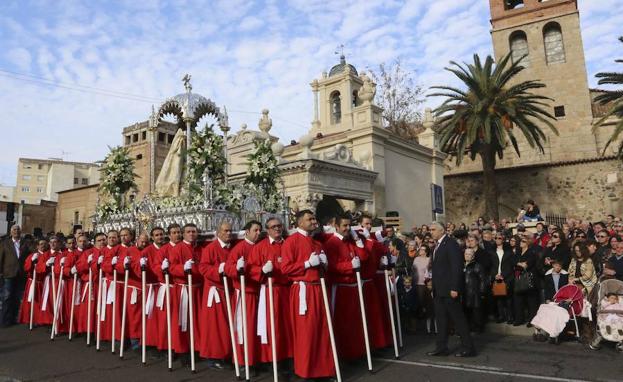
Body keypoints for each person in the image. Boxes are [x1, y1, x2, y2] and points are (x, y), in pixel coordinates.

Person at [281, 209, 336, 379]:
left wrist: (325, 265)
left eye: (314, 218)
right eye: (309, 219)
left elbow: (322, 270)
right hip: (303, 291)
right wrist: (306, 264)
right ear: (299, 222)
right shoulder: (291, 242)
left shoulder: (318, 244)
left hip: (318, 289)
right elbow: (286, 269)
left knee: (323, 330)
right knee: (307, 332)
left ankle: (324, 369)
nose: (314, 222)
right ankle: (305, 371)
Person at [248, 217, 293, 373]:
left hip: (288, 290)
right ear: (267, 229)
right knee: (273, 326)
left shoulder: (288, 244)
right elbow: (251, 268)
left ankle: (290, 357)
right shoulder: (260, 247)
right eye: (273, 227)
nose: (277, 229)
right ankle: (274, 359)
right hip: (270, 290)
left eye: (279, 226)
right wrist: (261, 270)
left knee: (289, 325)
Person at [426, 221, 475, 357]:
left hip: (449, 290)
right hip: (439, 290)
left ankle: (468, 347)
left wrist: (455, 287)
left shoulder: (451, 244)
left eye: (433, 229)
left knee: (458, 319)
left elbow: (456, 267)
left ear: (442, 231)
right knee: (441, 320)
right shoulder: (437, 246)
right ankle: (441, 347)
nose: (431, 231)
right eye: (430, 229)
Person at [323, 213, 368, 360]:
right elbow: (332, 265)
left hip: (353, 286)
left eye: (349, 225)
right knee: (342, 323)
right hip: (341, 287)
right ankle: (342, 354)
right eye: (344, 225)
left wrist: (358, 241)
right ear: (336, 226)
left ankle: (354, 351)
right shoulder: (332, 243)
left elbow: (363, 258)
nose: (348, 228)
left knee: (355, 322)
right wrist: (350, 266)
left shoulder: (350, 241)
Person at [225, 220, 263, 372]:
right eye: (255, 230)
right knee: (243, 329)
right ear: (247, 232)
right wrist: (237, 268)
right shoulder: (239, 248)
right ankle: (242, 361)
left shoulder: (260, 247)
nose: (258, 233)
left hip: (259, 292)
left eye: (260, 230)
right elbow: (228, 268)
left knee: (256, 330)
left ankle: (255, 359)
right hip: (245, 294)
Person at [198, 222, 233, 369]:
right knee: (214, 326)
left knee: (227, 325)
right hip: (215, 292)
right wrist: (218, 270)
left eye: (230, 231)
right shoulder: (211, 248)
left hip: (228, 291)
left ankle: (226, 353)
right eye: (225, 231)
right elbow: (203, 268)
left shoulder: (232, 248)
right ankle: (213, 356)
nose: (228, 233)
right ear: (218, 233)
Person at [0, 225, 30, 327]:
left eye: (18, 230)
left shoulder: (25, 243)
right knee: (7, 296)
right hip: (8, 273)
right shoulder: (5, 243)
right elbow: (1, 258)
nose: (16, 231)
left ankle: (13, 318)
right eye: (14, 230)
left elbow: (28, 255)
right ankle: (5, 319)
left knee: (17, 297)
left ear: (20, 231)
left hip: (20, 274)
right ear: (11, 232)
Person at [513, 236, 538, 327]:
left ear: (528, 243)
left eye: (523, 241)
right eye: (520, 241)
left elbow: (527, 265)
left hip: (528, 278)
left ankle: (532, 320)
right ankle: (519, 319)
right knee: (518, 299)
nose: (521, 242)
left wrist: (519, 264)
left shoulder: (531, 252)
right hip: (518, 277)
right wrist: (520, 263)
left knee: (531, 300)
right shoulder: (518, 252)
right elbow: (513, 262)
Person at [491, 233, 515, 324]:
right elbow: (491, 266)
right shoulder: (492, 252)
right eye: (496, 238)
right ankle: (501, 316)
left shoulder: (509, 252)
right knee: (499, 298)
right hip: (496, 277)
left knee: (508, 298)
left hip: (507, 277)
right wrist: (495, 275)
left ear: (503, 239)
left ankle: (510, 316)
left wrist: (503, 275)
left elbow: (510, 266)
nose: (497, 239)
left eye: (499, 238)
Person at [463, 248, 487, 332]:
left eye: (469, 254)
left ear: (473, 256)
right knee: (466, 312)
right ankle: (468, 327)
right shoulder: (461, 265)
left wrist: (482, 292)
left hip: (474, 292)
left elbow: (482, 280)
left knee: (476, 312)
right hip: (464, 292)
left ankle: (478, 328)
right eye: (466, 254)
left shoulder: (477, 266)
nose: (467, 256)